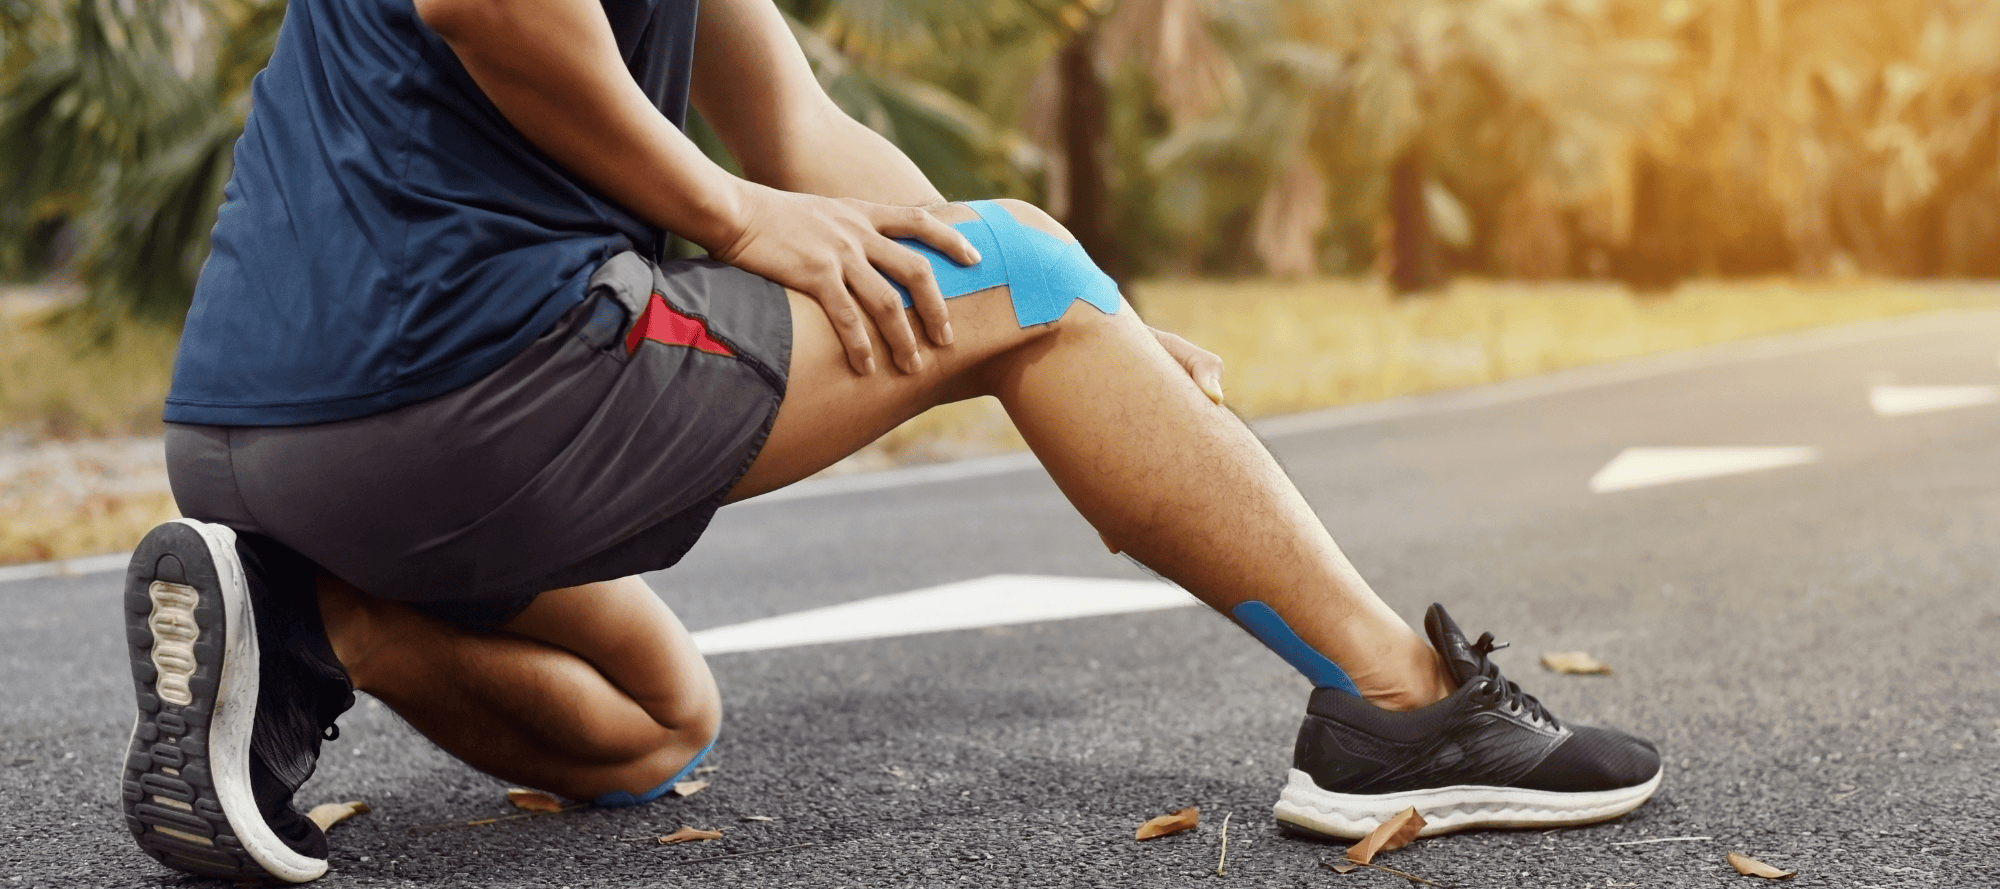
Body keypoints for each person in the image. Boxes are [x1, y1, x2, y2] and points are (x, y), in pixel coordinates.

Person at [118, 0, 1662, 882]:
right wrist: (763, 227)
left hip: (260, 446)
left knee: (659, 726)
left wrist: (1072, 322)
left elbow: (805, 137)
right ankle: (1402, 710)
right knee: (1032, 280)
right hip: (462, 384)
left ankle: (309, 621)